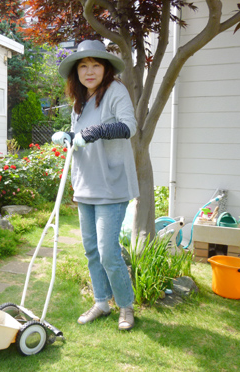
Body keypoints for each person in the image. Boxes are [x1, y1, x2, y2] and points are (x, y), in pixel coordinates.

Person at [52, 40, 139, 331]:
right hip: (85, 184)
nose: (89, 71)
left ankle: (125, 306)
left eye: (95, 65)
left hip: (112, 185)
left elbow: (128, 127)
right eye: (83, 66)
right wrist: (66, 134)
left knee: (107, 251)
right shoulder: (80, 99)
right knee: (91, 249)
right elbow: (79, 135)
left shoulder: (116, 91)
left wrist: (97, 131)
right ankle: (102, 302)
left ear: (106, 68)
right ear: (76, 72)